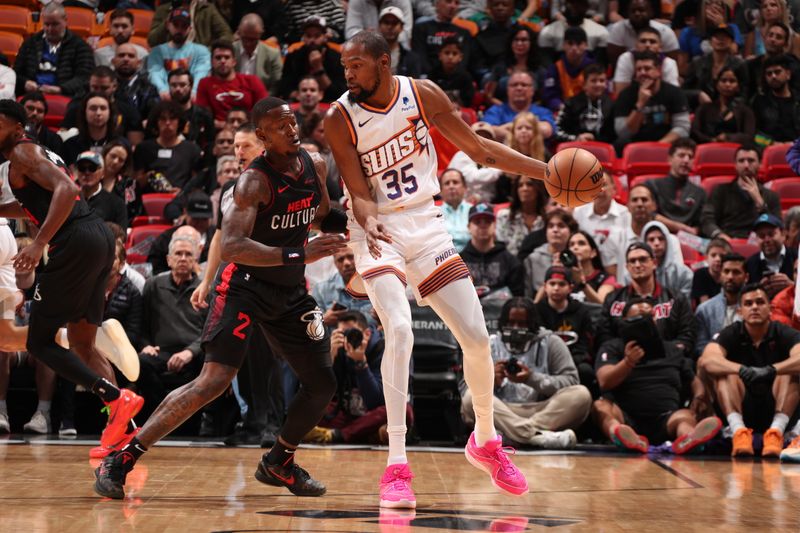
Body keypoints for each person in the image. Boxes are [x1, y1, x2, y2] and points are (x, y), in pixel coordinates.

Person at [324, 30, 571, 507]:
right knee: (399, 328)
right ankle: (396, 464)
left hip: (427, 223)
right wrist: (370, 220)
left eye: (356, 65)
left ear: (383, 61)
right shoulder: (340, 117)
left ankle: (485, 441)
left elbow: (480, 151)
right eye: (344, 66)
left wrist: (548, 172)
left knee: (478, 338)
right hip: (375, 230)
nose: (348, 74)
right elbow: (356, 189)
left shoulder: (423, 94)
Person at [94, 97, 350, 500]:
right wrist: (301, 253)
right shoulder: (252, 182)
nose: (293, 130)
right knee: (213, 381)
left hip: (289, 291)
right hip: (245, 286)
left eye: (294, 122)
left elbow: (318, 214)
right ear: (262, 137)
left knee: (322, 382)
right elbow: (231, 245)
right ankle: (122, 457)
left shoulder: (313, 164)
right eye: (281, 127)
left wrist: (362, 219)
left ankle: (279, 461)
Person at [0, 100, 142, 453]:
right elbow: (39, 201)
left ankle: (113, 395)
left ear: (18, 128)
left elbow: (66, 189)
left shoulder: (22, 153)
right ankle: (122, 428)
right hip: (96, 237)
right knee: (82, 343)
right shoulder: (30, 156)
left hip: (75, 240)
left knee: (38, 342)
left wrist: (38, 244)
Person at [593, 297, 721, 454]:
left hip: (666, 418)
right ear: (625, 321)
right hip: (626, 416)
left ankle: (689, 438)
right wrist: (627, 362)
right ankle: (620, 435)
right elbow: (604, 381)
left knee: (685, 416)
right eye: (639, 317)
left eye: (651, 317)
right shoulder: (613, 346)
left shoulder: (673, 349)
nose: (647, 322)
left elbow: (694, 380)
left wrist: (699, 397)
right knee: (600, 407)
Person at [466, 296, 591, 449]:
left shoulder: (551, 342)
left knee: (582, 395)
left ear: (533, 324)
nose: (516, 328)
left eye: (522, 323)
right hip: (501, 410)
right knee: (470, 397)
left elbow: (571, 382)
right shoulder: (489, 344)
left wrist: (532, 378)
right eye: (511, 323)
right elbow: (468, 384)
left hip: (541, 410)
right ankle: (536, 436)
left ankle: (513, 435)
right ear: (502, 322)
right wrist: (491, 381)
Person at [698, 283, 800, 457]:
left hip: (778, 406)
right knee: (725, 374)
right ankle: (739, 432)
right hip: (742, 406)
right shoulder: (731, 332)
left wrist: (772, 369)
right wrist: (741, 369)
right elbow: (706, 360)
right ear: (740, 311)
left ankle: (776, 432)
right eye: (748, 303)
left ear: (770, 308)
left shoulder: (783, 332)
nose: (754, 307)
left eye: (760, 302)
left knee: (790, 372)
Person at [136, 231, 207, 418]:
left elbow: (209, 331)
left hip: (193, 353)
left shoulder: (205, 290)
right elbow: (141, 324)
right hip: (161, 351)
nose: (183, 258)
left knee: (210, 360)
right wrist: (146, 345)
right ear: (168, 259)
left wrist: (190, 352)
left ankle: (194, 418)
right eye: (178, 254)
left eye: (188, 254)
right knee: (141, 361)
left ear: (195, 260)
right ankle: (163, 414)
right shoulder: (152, 285)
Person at [304, 311, 400, 444]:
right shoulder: (337, 349)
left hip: (372, 413)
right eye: (344, 334)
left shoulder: (382, 348)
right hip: (348, 413)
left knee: (403, 411)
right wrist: (329, 359)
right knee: (308, 409)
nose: (349, 339)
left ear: (367, 333)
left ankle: (339, 435)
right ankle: (365, 434)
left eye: (353, 333)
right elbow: (318, 392)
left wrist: (361, 364)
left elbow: (376, 401)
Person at [595, 242, 696, 354]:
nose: (637, 265)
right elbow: (603, 337)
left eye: (642, 259)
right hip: (624, 363)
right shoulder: (612, 300)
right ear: (627, 267)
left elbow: (687, 337)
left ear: (654, 263)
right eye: (632, 261)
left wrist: (661, 350)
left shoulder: (677, 299)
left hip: (667, 363)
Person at [535, 267, 598, 394]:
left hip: (574, 360)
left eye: (561, 284)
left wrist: (569, 361)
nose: (556, 288)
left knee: (586, 371)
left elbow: (585, 344)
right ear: (545, 287)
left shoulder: (581, 311)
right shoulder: (536, 311)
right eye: (552, 284)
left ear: (570, 288)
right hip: (544, 360)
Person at [700, 144, 781, 239]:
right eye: (741, 161)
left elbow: (776, 228)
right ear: (735, 165)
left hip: (760, 243)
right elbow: (707, 220)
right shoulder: (721, 191)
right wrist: (720, 235)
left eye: (751, 161)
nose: (746, 165)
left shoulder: (771, 196)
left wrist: (760, 203)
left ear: (760, 164)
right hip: (726, 241)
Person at [13, 3, 94, 97]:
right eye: (46, 24)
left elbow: (84, 77)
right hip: (32, 95)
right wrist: (25, 83)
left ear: (65, 21)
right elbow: (16, 73)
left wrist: (61, 89)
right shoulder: (30, 43)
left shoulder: (80, 46)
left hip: (65, 96)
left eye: (55, 24)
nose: (50, 29)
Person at [613, 51, 690, 146]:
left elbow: (683, 128)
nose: (642, 73)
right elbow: (623, 133)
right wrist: (640, 105)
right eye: (638, 69)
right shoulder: (626, 94)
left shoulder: (675, 93)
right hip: (635, 147)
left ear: (658, 71)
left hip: (666, 145)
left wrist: (657, 147)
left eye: (647, 68)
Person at [196, 40, 268, 129]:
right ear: (211, 62)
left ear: (234, 61)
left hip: (250, 130)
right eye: (218, 58)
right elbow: (203, 116)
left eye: (227, 57)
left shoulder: (252, 80)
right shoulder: (205, 83)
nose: (222, 61)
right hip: (218, 133)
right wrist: (225, 126)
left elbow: (264, 111)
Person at [133, 101, 202, 191]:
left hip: (181, 201)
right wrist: (149, 177)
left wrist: (183, 194)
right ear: (156, 122)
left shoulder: (192, 149)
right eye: (163, 119)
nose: (168, 123)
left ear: (179, 122)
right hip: (149, 200)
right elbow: (135, 184)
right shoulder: (143, 148)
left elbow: (197, 185)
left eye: (172, 119)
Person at [460, 203, 525, 297]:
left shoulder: (511, 262)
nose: (483, 225)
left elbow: (517, 298)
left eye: (487, 221)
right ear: (468, 227)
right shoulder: (459, 261)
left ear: (494, 226)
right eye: (477, 222)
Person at [572, 170, 629, 276]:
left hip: (619, 272)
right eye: (595, 186)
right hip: (586, 274)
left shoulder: (626, 215)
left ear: (614, 189)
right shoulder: (579, 213)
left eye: (604, 185)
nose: (600, 190)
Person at [279, 16, 347, 103]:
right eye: (308, 35)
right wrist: (296, 94)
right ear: (303, 37)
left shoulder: (337, 57)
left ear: (325, 37)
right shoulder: (293, 56)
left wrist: (318, 67)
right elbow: (284, 86)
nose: (312, 40)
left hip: (328, 102)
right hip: (299, 103)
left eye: (317, 36)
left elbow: (339, 93)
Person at [146, 8, 211, 99]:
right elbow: (155, 74)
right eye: (176, 25)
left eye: (184, 26)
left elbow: (200, 73)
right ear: (168, 25)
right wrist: (163, 90)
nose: (179, 30)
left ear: (190, 29)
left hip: (191, 97)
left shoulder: (201, 51)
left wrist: (194, 91)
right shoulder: (157, 52)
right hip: (164, 97)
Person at [645, 138, 706, 235]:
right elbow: (650, 214)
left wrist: (695, 231)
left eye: (690, 157)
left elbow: (702, 222)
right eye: (681, 155)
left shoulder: (700, 192)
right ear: (669, 159)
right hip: (658, 236)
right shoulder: (652, 185)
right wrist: (682, 228)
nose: (686, 160)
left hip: (689, 240)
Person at [695, 253, 748, 358]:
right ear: (720, 275)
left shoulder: (755, 307)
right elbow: (700, 347)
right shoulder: (704, 310)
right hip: (716, 363)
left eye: (736, 272)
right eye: (726, 271)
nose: (730, 277)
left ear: (746, 277)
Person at [683, 24, 748, 108]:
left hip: (731, 112)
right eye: (717, 37)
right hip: (701, 110)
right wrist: (698, 94)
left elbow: (744, 94)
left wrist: (727, 110)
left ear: (732, 42)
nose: (720, 40)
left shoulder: (739, 64)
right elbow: (684, 91)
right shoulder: (697, 62)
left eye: (724, 37)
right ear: (710, 41)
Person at [483, 71, 556, 141]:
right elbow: (488, 133)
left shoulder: (543, 112)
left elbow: (546, 130)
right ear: (507, 90)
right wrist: (530, 127)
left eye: (524, 85)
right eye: (514, 85)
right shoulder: (495, 111)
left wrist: (507, 128)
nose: (519, 88)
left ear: (532, 90)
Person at [691, 66, 756, 145]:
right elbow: (695, 132)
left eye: (732, 81)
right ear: (717, 85)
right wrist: (711, 140)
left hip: (735, 151)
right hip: (707, 149)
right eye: (723, 80)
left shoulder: (745, 111)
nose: (727, 84)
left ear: (738, 86)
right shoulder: (704, 109)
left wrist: (728, 137)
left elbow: (749, 136)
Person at [313, 248, 375, 328]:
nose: (346, 263)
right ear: (335, 263)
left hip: (372, 338)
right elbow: (310, 328)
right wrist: (323, 320)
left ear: (359, 258)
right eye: (340, 259)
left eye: (350, 257)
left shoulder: (373, 285)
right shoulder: (321, 290)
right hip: (336, 339)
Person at [606, 0, 680, 67]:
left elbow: (672, 61)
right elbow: (615, 61)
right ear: (627, 13)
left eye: (641, 10)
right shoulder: (618, 29)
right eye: (633, 11)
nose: (637, 13)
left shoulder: (665, 31)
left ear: (651, 13)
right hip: (627, 70)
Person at [555, 63, 615, 143]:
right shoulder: (570, 103)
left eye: (602, 81)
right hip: (574, 148)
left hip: (601, 149)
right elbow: (556, 131)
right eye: (593, 81)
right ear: (584, 84)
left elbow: (613, 135)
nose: (598, 84)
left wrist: (595, 139)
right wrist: (576, 138)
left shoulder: (610, 104)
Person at [524, 208, 578, 296]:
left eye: (561, 226)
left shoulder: (576, 256)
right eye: (550, 226)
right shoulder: (533, 259)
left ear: (570, 231)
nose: (555, 230)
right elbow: (528, 295)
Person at [541, 27, 596, 113]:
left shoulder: (594, 67)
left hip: (588, 110)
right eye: (570, 43)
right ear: (563, 45)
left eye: (578, 44)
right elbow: (550, 95)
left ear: (586, 45)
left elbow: (598, 93)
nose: (574, 48)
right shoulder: (555, 68)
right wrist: (561, 106)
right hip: (561, 110)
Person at [412, 0, 474, 73]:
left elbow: (464, 61)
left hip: (455, 78)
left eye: (456, 3)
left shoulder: (465, 33)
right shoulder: (421, 28)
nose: (453, 6)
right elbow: (420, 57)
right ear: (437, 4)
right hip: (428, 76)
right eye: (448, 1)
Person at [612, 26, 679, 95]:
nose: (647, 45)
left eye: (652, 42)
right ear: (636, 45)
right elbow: (620, 91)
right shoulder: (626, 58)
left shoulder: (668, 63)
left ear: (660, 47)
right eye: (643, 41)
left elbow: (674, 94)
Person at [61, 93, 123, 167]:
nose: (98, 113)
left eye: (103, 108)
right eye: (93, 108)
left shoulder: (120, 145)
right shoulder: (70, 144)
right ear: (84, 112)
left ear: (110, 113)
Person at [448, 122, 504, 203]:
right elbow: (473, 177)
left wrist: (481, 198)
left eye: (486, 137)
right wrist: (502, 168)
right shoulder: (461, 155)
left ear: (493, 141)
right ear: (469, 139)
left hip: (486, 203)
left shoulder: (494, 157)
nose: (481, 140)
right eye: (477, 137)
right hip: (459, 204)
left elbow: (491, 190)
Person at [537, 0, 609, 61]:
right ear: (565, 5)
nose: (574, 8)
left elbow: (600, 66)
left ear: (586, 7)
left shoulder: (601, 32)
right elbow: (546, 67)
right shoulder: (547, 32)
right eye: (571, 3)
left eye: (578, 4)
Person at [752, 54, 800, 144]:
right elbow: (755, 134)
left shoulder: (798, 100)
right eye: (769, 74)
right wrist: (772, 143)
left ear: (788, 74)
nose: (773, 76)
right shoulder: (760, 102)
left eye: (777, 72)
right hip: (770, 150)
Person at [745, 213, 796, 298]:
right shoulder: (749, 264)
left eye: (771, 234)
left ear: (783, 234)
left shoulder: (797, 258)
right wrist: (759, 291)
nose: (767, 240)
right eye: (761, 236)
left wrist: (792, 286)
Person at [167, 68, 215, 158]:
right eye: (173, 85)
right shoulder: (161, 115)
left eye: (182, 85)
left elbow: (210, 143)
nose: (178, 89)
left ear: (191, 86)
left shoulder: (204, 115)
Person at [74, 151, 127, 230]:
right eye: (82, 168)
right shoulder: (68, 200)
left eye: (92, 168)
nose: (87, 172)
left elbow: (120, 238)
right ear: (77, 172)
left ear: (102, 173)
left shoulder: (117, 204)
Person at [496, 175, 547, 256]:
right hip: (509, 266)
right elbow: (499, 247)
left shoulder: (547, 219)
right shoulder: (504, 216)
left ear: (538, 188)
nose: (524, 189)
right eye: (520, 185)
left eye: (529, 184)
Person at [147, 0, 233, 48]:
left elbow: (226, 34)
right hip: (170, 57)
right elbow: (152, 41)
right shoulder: (163, 10)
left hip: (200, 58)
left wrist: (209, 51)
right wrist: (167, 22)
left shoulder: (206, 9)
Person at [233, 14, 283, 96]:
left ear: (260, 34)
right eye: (244, 38)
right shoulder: (230, 51)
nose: (248, 44)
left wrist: (263, 100)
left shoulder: (273, 54)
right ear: (239, 32)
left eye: (252, 40)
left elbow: (276, 85)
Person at [641, 221, 693, 299]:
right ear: (644, 243)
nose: (657, 243)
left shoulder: (684, 274)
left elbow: (684, 306)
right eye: (651, 240)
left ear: (667, 241)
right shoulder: (638, 272)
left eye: (661, 239)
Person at [112, 44, 160, 126]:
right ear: (113, 61)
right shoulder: (104, 85)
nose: (126, 59)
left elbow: (154, 114)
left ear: (139, 63)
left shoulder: (149, 88)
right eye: (121, 55)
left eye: (131, 56)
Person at [566, 230, 616, 304]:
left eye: (581, 243)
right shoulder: (564, 277)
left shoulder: (606, 278)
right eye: (571, 245)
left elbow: (601, 305)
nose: (575, 247)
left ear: (593, 253)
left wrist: (582, 285)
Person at [377, 7, 422, 79]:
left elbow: (413, 86)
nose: (390, 27)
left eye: (394, 23)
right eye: (386, 22)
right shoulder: (370, 56)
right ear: (379, 26)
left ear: (401, 27)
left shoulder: (412, 59)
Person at [19, 92, 63, 157]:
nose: (35, 113)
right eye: (30, 108)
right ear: (20, 109)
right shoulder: (9, 133)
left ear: (44, 115)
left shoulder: (54, 140)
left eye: (40, 111)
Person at [691, 238, 732, 305]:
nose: (718, 259)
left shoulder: (731, 276)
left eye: (722, 256)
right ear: (706, 258)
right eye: (713, 255)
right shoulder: (700, 274)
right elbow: (705, 305)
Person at [438, 168, 471, 250]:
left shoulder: (473, 211)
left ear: (465, 187)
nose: (451, 186)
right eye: (447, 183)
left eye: (455, 182)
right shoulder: (434, 214)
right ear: (440, 190)